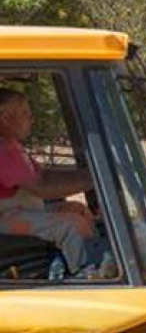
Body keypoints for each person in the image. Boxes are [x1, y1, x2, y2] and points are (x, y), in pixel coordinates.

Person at [0, 89, 98, 275]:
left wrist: (87, 174)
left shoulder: (11, 146)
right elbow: (42, 187)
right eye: (25, 114)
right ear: (4, 117)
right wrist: (94, 177)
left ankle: (97, 263)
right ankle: (87, 275)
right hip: (4, 217)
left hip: (17, 211)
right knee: (69, 226)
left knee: (78, 210)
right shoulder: (2, 150)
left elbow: (42, 174)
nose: (31, 119)